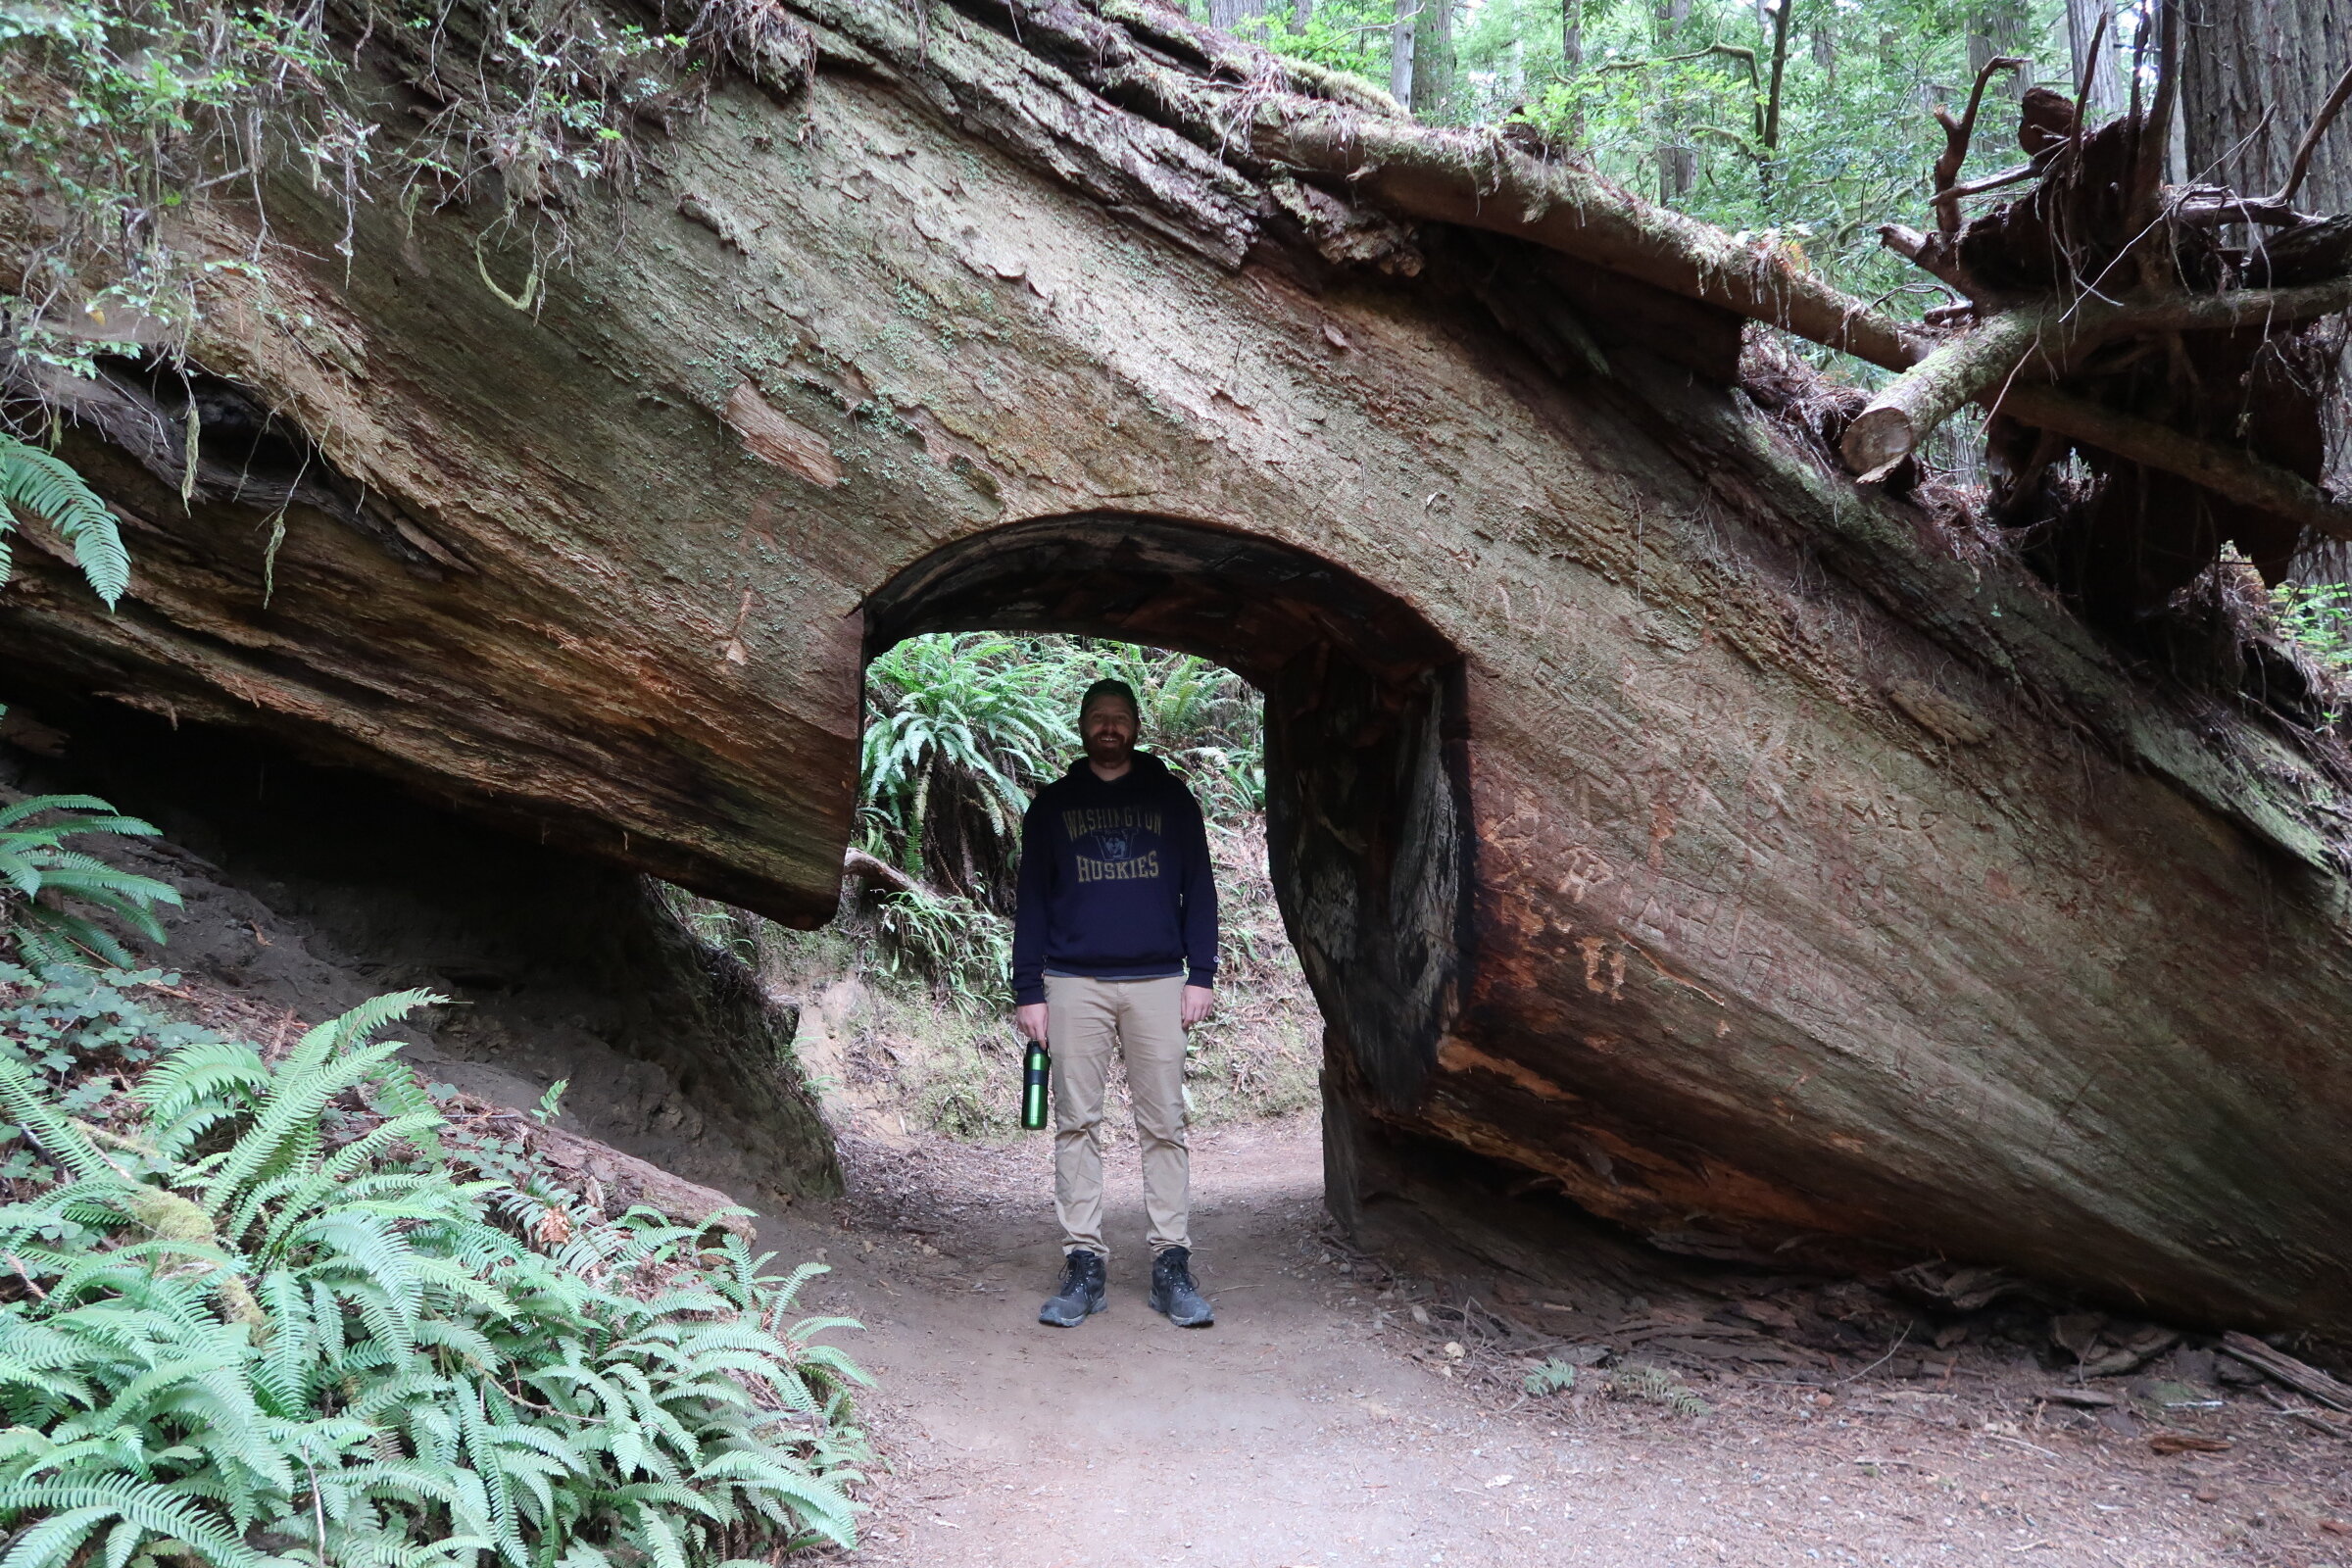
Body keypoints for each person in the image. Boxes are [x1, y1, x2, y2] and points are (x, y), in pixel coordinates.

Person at [1012, 676, 1218, 1329]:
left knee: (1164, 1125)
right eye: (1098, 717)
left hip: (1160, 980)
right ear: (1082, 725)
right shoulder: (1053, 806)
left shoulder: (1171, 800)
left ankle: (1170, 1265)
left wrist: (1201, 975)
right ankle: (1084, 1265)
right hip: (1074, 984)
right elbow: (1033, 904)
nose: (1109, 727)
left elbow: (1201, 891)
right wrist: (1029, 991)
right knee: (1077, 1124)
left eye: (1119, 718)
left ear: (1135, 725)